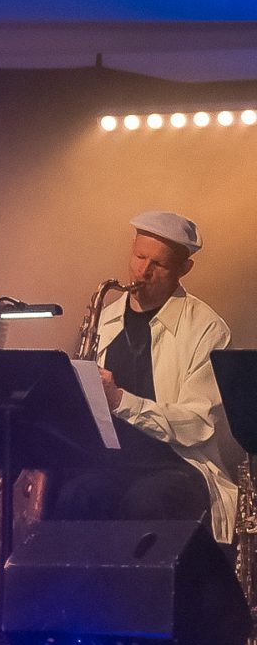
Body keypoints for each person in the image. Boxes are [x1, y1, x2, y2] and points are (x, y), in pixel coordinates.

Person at [50, 211, 236, 535]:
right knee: (73, 498)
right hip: (111, 464)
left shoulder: (208, 329)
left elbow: (199, 424)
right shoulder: (104, 319)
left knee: (146, 503)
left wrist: (121, 401)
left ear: (184, 268)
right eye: (139, 257)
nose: (143, 271)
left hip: (179, 466)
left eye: (158, 264)